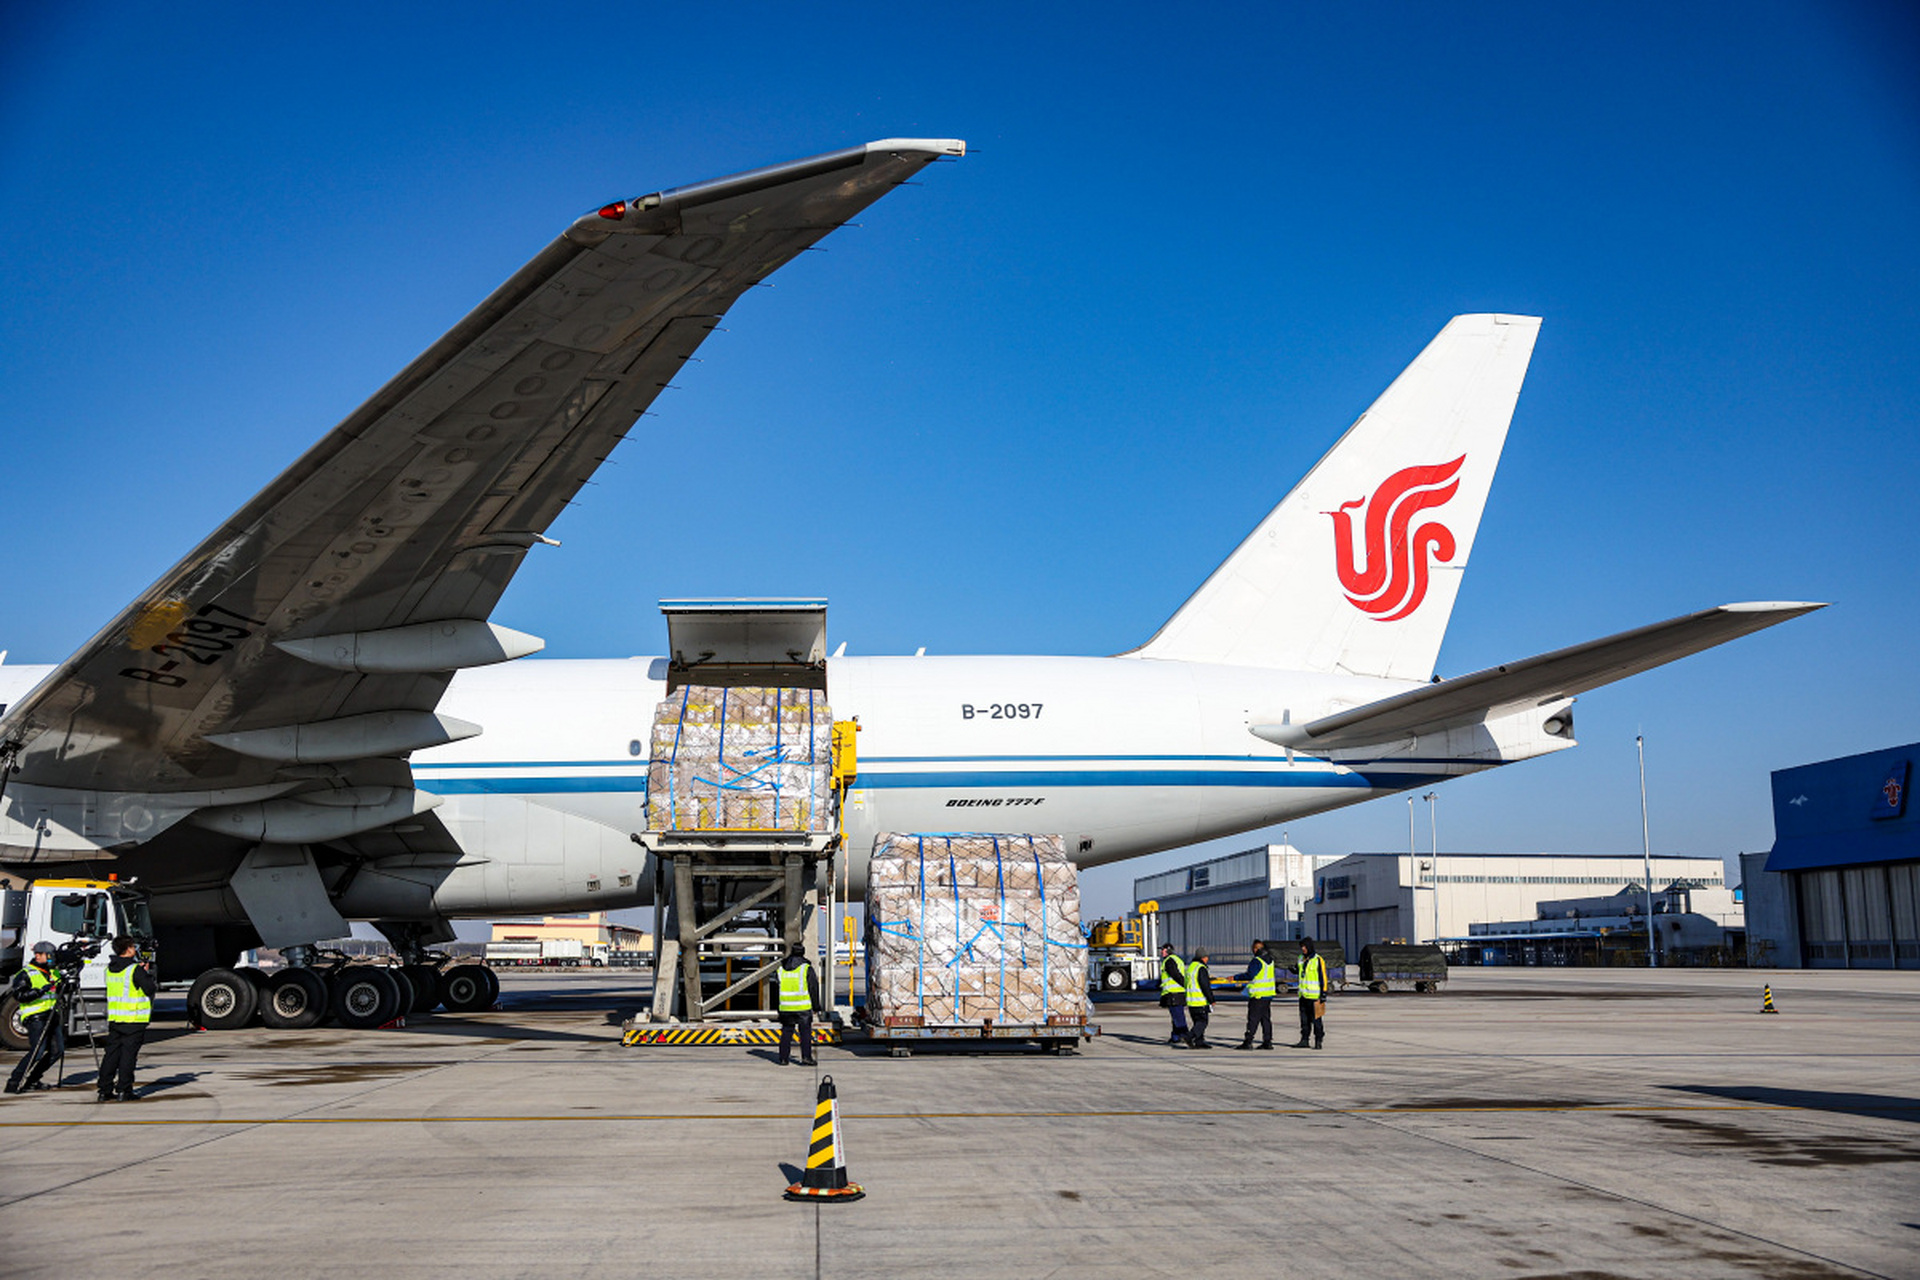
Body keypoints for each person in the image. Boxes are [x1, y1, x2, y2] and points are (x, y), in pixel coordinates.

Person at [98, 935, 155, 1102]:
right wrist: (145, 973)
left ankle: (104, 1090)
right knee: (128, 1057)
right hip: (134, 1019)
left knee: (111, 1055)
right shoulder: (134, 969)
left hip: (116, 1019)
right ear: (128, 949)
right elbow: (149, 989)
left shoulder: (109, 969)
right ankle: (124, 1089)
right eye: (133, 946)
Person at [5, 942, 65, 1094]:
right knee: (37, 1051)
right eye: (48, 955)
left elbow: (61, 990)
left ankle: (32, 1080)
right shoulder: (26, 973)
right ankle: (14, 1082)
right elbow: (19, 995)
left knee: (57, 1051)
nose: (51, 958)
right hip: (36, 1017)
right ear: (38, 955)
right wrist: (38, 992)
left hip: (52, 1014)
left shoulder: (53, 972)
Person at [775, 943, 820, 1067]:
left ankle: (783, 1058)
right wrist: (816, 1006)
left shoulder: (781, 969)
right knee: (805, 1034)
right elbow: (813, 988)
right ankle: (806, 1058)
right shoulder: (806, 968)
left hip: (785, 1007)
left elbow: (776, 990)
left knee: (786, 1033)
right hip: (802, 1007)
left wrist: (778, 1007)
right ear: (803, 952)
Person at [1232, 939, 1276, 1050]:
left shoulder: (1257, 961)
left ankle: (1248, 1041)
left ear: (1256, 949)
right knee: (1265, 1019)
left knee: (1253, 1019)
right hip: (1268, 994)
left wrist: (1236, 977)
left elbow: (1250, 975)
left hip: (1257, 995)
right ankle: (1267, 1041)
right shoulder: (1270, 960)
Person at [1292, 937, 1328, 1049]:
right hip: (1303, 995)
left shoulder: (1318, 960)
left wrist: (1324, 993)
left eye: (1304, 946)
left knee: (1316, 1020)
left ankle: (1318, 1040)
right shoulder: (1300, 958)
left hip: (1315, 996)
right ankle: (1304, 1040)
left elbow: (1323, 977)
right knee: (1304, 1020)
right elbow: (1300, 971)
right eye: (1301, 947)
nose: (1303, 949)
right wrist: (1294, 970)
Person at [1157, 942, 1189, 1046]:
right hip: (1176, 993)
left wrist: (1185, 985)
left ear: (1168, 950)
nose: (1161, 952)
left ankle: (1185, 1036)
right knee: (1176, 1016)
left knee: (1178, 1017)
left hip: (1174, 994)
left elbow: (1175, 975)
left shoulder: (1169, 961)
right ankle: (1175, 1037)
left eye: (1163, 950)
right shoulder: (1176, 959)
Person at [1183, 948, 1214, 1048]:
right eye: (1206, 957)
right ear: (1203, 957)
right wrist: (1211, 999)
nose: (1207, 959)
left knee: (1197, 1022)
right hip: (1200, 1000)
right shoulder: (1201, 968)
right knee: (1203, 1022)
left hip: (1191, 1001)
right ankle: (1189, 1036)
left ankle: (1199, 1042)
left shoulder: (1191, 967)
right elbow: (1205, 985)